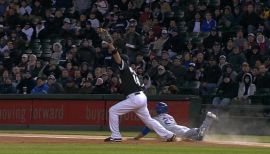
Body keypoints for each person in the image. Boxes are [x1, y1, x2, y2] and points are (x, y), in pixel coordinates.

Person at [103, 31, 176, 142]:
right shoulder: (131, 71)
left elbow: (117, 57)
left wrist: (111, 45)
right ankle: (168, 135)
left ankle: (116, 136)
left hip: (135, 97)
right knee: (149, 121)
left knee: (113, 111)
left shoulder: (125, 68)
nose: (117, 63)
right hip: (141, 96)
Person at [134, 102, 218, 141]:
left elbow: (145, 131)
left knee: (198, 133)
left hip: (176, 131)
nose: (154, 110)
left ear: (159, 109)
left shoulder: (154, 119)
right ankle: (208, 120)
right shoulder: (169, 116)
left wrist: (136, 138)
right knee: (198, 138)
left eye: (156, 109)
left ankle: (207, 119)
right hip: (179, 128)